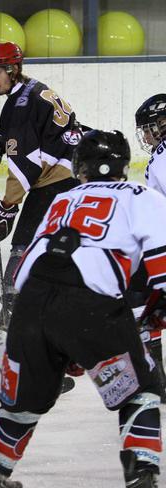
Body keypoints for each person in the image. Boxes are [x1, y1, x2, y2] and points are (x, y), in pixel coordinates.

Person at [0, 130, 166, 488]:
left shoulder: (62, 199)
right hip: (90, 306)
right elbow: (161, 259)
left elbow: (25, 269)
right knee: (140, 391)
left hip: (30, 306)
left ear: (79, 169)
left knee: (24, 402)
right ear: (124, 166)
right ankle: (142, 487)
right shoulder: (143, 197)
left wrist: (58, 341)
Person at [0, 41, 82, 331]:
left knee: (22, 244)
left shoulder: (20, 104)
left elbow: (27, 166)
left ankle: (14, 312)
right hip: (76, 178)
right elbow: (39, 131)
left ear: (13, 69)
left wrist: (6, 207)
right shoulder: (35, 89)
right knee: (57, 246)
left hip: (55, 182)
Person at [125, 93, 166, 399]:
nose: (147, 134)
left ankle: (156, 380)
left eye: (150, 127)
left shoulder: (162, 157)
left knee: (142, 300)